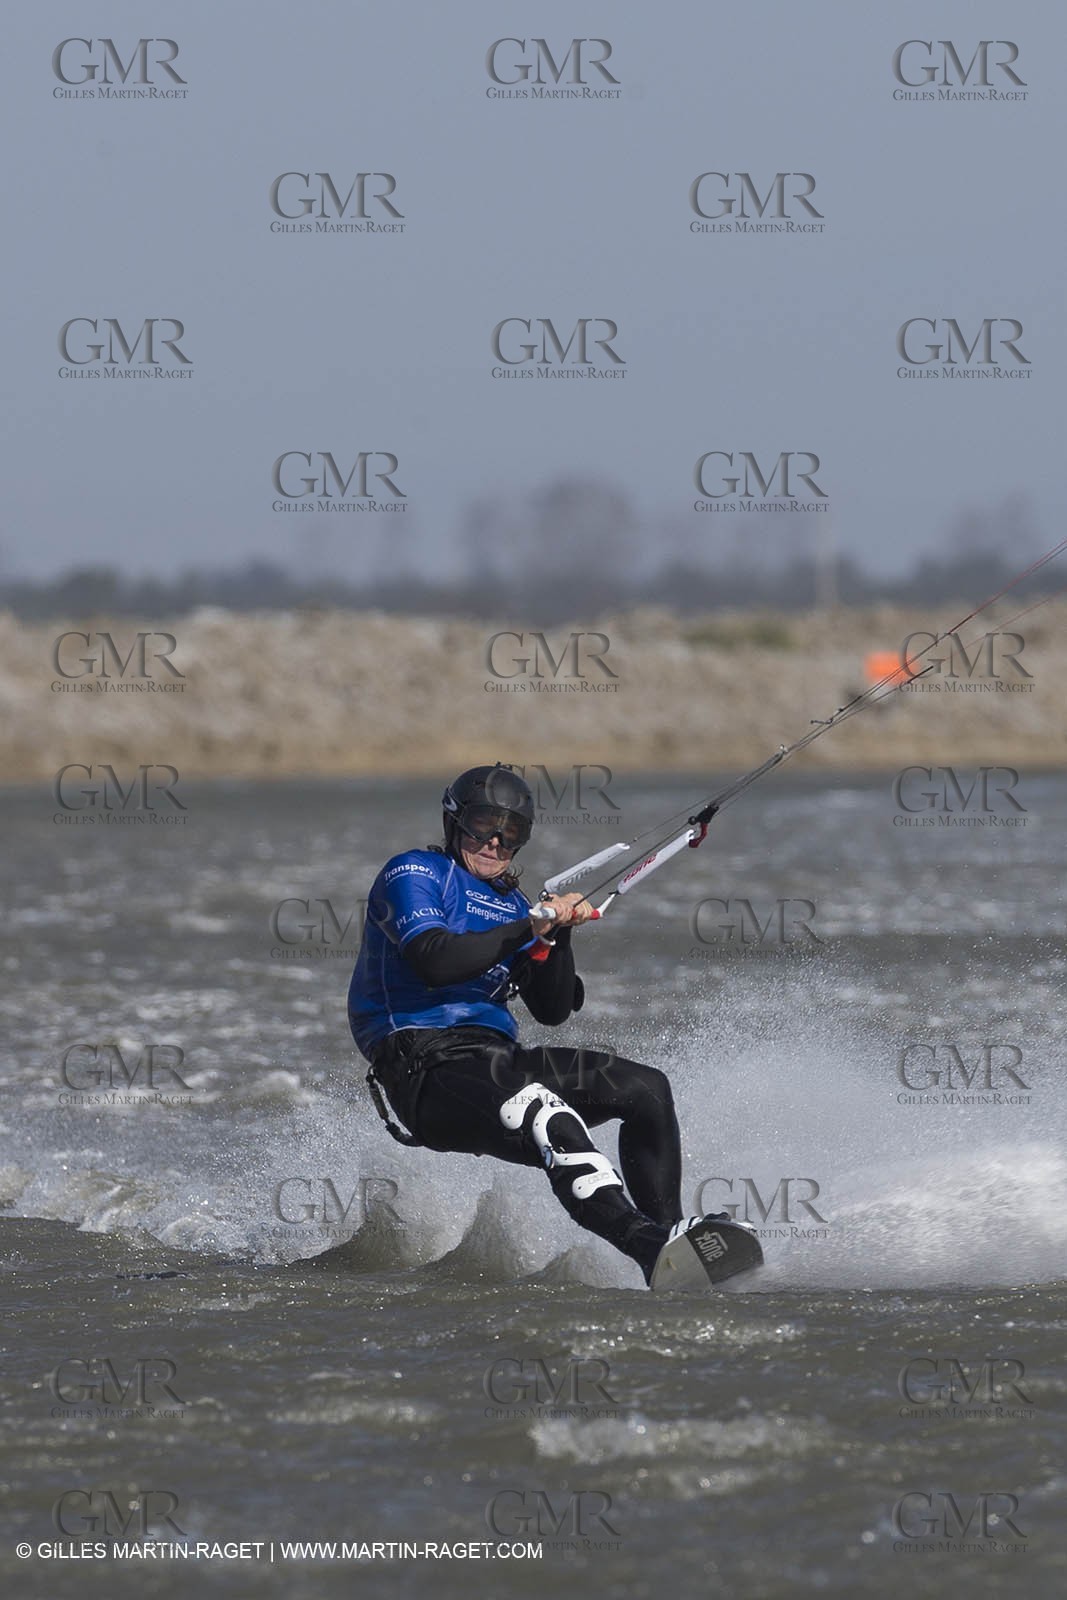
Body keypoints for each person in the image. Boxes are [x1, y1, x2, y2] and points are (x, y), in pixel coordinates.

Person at [347, 761, 741, 1287]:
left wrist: (558, 935)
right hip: (425, 1069)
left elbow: (552, 1010)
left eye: (510, 834)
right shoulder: (415, 873)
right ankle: (647, 1248)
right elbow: (434, 960)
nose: (494, 842)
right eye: (483, 824)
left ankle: (671, 1242)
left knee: (645, 1089)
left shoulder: (513, 904)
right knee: (539, 1106)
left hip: (494, 1060)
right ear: (453, 821)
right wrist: (526, 928)